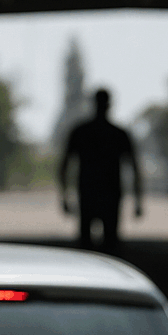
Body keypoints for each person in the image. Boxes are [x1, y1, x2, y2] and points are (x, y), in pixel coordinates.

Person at [58, 89, 144, 252]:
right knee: (110, 245)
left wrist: (63, 196)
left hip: (89, 194)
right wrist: (138, 201)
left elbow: (64, 166)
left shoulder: (81, 132)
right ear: (110, 105)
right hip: (108, 196)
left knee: (87, 247)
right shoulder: (118, 134)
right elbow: (134, 168)